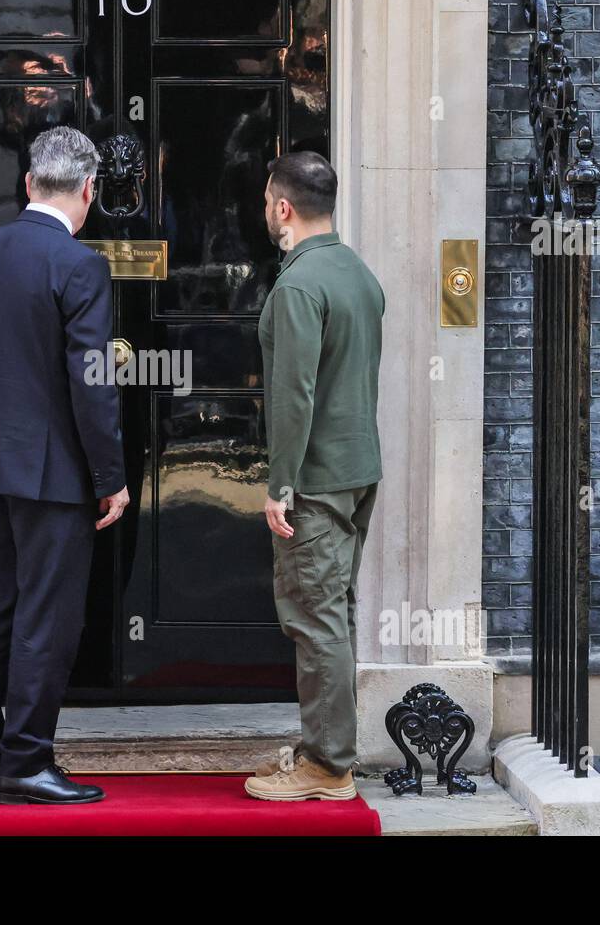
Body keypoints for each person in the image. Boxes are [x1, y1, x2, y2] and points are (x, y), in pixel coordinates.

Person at [0, 126, 129, 805]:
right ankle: (24, 760)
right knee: (45, 620)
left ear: (28, 183)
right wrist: (109, 475)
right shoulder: (78, 265)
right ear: (88, 191)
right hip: (52, 475)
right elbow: (91, 380)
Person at [250, 151, 385, 801]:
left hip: (317, 479)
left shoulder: (299, 285)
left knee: (314, 617)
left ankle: (328, 767)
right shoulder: (357, 273)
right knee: (335, 614)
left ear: (282, 207)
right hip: (357, 471)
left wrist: (279, 485)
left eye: (266, 202)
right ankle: (325, 752)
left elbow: (294, 394)